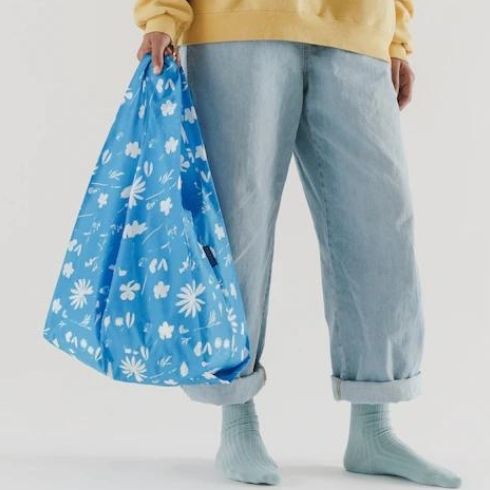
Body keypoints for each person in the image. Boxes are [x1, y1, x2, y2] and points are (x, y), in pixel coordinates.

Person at [133, 1, 462, 487]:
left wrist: (395, 34)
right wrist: (161, 14)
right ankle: (236, 419)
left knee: (381, 227)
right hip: (235, 24)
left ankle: (372, 428)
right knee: (237, 226)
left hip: (357, 28)